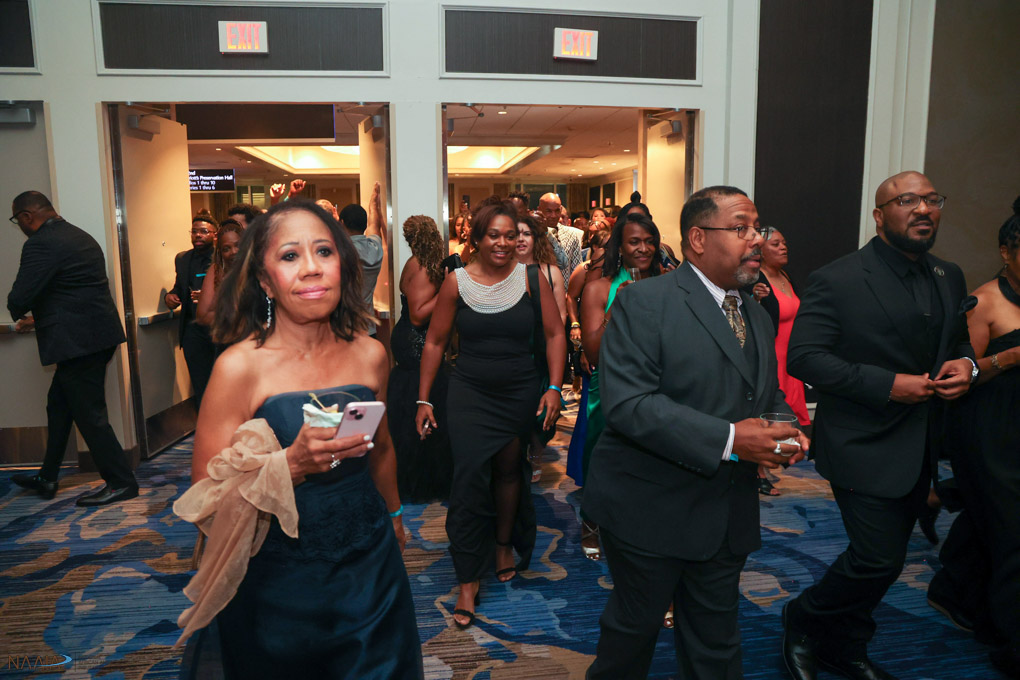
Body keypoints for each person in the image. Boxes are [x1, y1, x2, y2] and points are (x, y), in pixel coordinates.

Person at [185, 200, 422, 678]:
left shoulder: (371, 354)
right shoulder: (239, 367)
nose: (311, 268)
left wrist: (395, 516)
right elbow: (204, 499)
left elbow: (382, 449)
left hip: (369, 565)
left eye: (324, 251)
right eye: (290, 255)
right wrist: (290, 465)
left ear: (344, 265)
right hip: (277, 578)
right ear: (265, 280)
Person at [583, 186, 807, 679]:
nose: (756, 239)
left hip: (726, 512)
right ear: (698, 239)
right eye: (742, 228)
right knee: (631, 638)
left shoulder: (753, 311)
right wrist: (731, 440)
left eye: (757, 228)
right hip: (649, 509)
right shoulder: (644, 301)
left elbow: (764, 391)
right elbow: (628, 405)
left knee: (716, 644)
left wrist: (783, 428)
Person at [782, 171, 976, 680]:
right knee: (877, 559)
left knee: (885, 559)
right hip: (861, 442)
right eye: (907, 200)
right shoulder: (838, 278)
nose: (923, 209)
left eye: (932, 199)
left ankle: (846, 648)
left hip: (922, 445)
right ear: (879, 214)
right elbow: (805, 357)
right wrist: (888, 384)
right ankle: (802, 618)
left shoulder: (949, 274)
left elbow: (958, 341)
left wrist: (967, 365)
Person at [416, 200, 566, 629]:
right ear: (477, 239)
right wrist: (424, 399)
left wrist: (555, 387)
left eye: (511, 235)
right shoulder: (456, 282)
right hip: (470, 394)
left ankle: (502, 544)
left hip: (519, 392)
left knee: (508, 471)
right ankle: (468, 577)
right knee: (466, 481)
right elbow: (435, 341)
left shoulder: (532, 278)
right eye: (494, 235)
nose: (503, 243)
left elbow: (555, 334)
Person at [927, 199, 1020, 679]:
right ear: (1007, 251)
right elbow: (959, 376)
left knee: (994, 525)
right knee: (1013, 534)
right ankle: (1011, 642)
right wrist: (1012, 357)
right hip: (990, 433)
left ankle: (955, 590)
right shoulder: (985, 301)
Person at [8, 190, 138, 507]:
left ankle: (122, 482)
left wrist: (18, 309)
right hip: (95, 337)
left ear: (26, 216)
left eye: (17, 220)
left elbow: (20, 297)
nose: (20, 226)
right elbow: (73, 292)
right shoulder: (79, 235)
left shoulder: (41, 243)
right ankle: (48, 476)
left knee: (90, 415)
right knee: (59, 405)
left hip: (77, 343)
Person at [578, 213, 663, 564]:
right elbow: (593, 352)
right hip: (612, 385)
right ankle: (592, 523)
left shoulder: (670, 283)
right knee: (603, 459)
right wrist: (617, 308)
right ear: (620, 247)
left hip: (659, 384)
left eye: (649, 241)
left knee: (653, 462)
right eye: (634, 242)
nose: (643, 248)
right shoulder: (599, 288)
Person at [388, 214, 453, 503]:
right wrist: (449, 288)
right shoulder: (421, 265)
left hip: (413, 342)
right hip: (417, 342)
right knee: (423, 402)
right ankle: (421, 482)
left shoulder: (420, 263)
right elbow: (417, 315)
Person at [748, 228, 808, 496]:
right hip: (771, 356)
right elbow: (748, 317)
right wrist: (755, 298)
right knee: (765, 413)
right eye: (776, 244)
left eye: (784, 242)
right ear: (761, 250)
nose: (784, 247)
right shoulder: (755, 279)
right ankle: (758, 472)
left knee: (787, 413)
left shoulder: (786, 276)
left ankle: (773, 461)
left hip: (790, 358)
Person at [515, 213, 567, 481]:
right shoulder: (502, 272)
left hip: (542, 349)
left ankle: (536, 451)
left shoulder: (550, 271)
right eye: (516, 234)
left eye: (527, 234)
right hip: (515, 349)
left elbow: (561, 316)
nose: (521, 239)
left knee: (541, 409)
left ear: (536, 239)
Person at [165, 214, 218, 405]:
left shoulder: (223, 257)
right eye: (194, 231)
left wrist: (209, 296)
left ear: (215, 235)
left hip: (218, 328)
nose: (198, 235)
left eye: (203, 231)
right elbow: (179, 287)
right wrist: (170, 297)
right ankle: (204, 419)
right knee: (200, 382)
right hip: (192, 331)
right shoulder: (183, 259)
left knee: (221, 381)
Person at [339, 183, 387, 336]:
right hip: (368, 329)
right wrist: (373, 205)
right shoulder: (375, 248)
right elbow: (374, 225)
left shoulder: (339, 253)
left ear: (342, 223)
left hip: (345, 329)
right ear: (364, 225)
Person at [196, 219, 244, 328]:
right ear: (220, 253)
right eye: (226, 249)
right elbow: (203, 316)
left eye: (238, 245)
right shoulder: (217, 270)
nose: (234, 251)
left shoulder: (259, 269)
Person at [539, 192, 584, 279]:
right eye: (548, 211)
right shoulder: (531, 234)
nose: (553, 216)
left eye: (557, 211)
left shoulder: (571, 235)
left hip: (565, 286)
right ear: (539, 210)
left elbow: (577, 270)